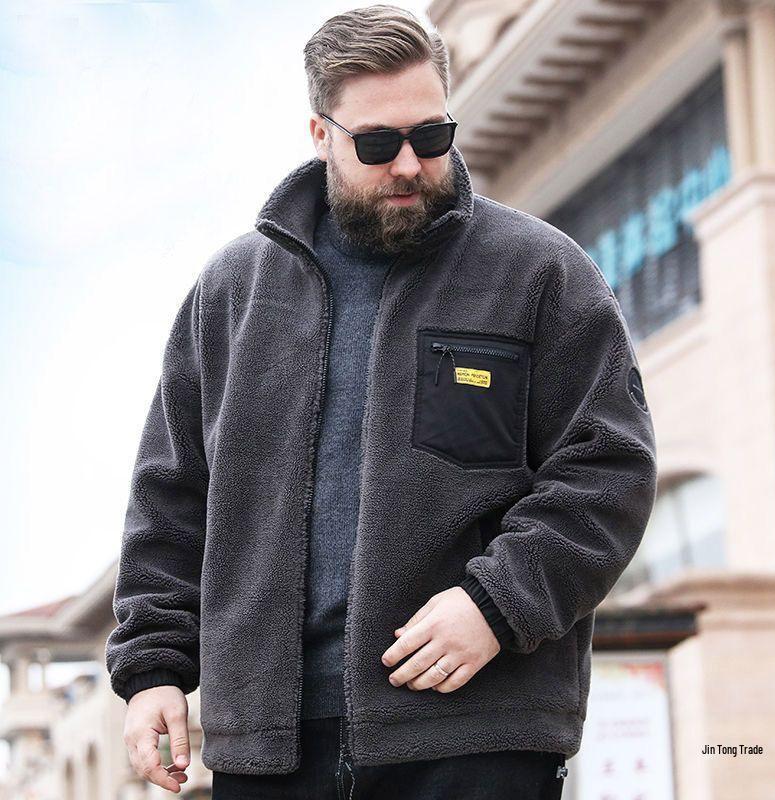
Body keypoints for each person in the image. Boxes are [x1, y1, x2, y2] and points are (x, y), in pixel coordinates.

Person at [105, 5, 658, 799]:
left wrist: (496, 604)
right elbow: (171, 497)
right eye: (376, 143)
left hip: (476, 736)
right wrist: (154, 667)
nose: (409, 164)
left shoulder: (540, 272)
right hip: (268, 750)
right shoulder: (231, 294)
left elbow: (608, 469)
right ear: (320, 134)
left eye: (432, 136)